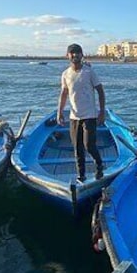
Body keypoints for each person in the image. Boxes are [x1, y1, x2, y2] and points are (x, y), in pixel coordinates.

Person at [57, 43, 105, 183]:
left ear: (82, 55)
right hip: (74, 117)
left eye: (78, 52)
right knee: (77, 148)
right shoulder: (65, 74)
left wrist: (102, 112)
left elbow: (100, 91)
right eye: (72, 53)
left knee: (89, 145)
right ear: (67, 56)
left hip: (90, 115)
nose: (75, 55)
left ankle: (99, 164)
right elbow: (64, 93)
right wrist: (59, 112)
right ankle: (81, 175)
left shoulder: (89, 72)